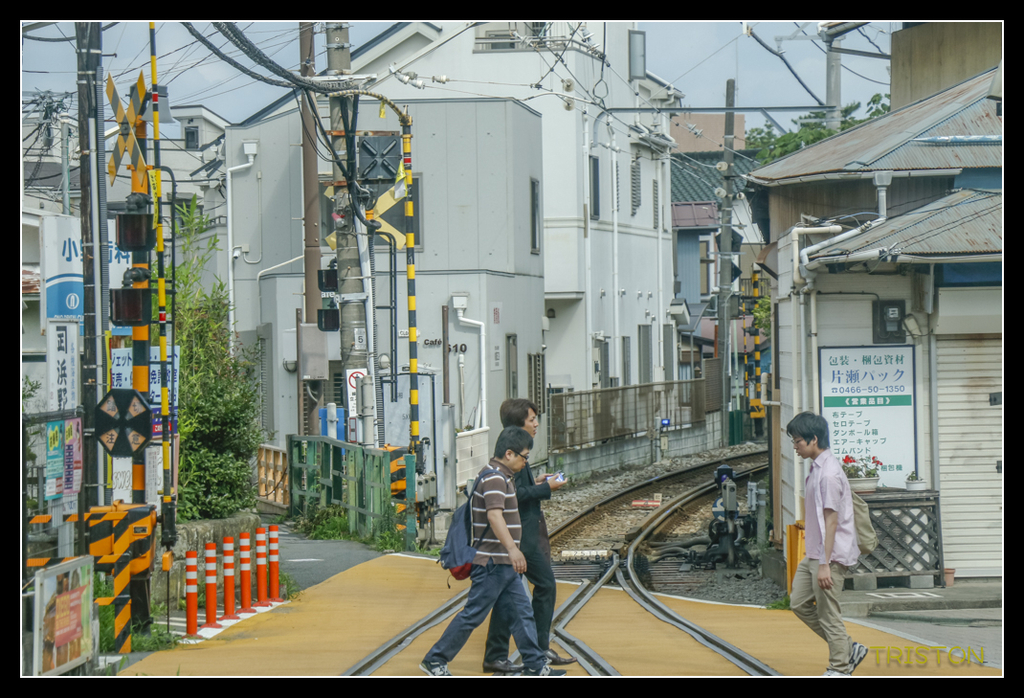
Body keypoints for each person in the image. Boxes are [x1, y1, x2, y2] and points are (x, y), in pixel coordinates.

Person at [420, 426, 565, 677]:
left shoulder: (498, 476)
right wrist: (513, 550)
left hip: (502, 563)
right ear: (509, 454)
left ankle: (534, 665)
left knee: (522, 614)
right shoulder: (496, 478)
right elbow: (494, 515)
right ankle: (435, 659)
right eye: (524, 456)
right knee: (473, 615)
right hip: (492, 563)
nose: (525, 462)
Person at [483, 399, 577, 673]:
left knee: (507, 593)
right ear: (518, 422)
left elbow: (517, 488)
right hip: (520, 533)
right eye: (532, 419)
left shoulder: (512, 444)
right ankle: (535, 650)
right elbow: (514, 495)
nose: (536, 423)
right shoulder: (512, 448)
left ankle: (501, 654)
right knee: (542, 586)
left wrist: (536, 482)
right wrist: (546, 488)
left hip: (521, 531)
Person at [786, 412, 868, 677]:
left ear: (814, 439)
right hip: (816, 553)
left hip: (829, 557)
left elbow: (830, 521)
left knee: (828, 614)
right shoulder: (818, 467)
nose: (795, 446)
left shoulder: (828, 474)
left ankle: (840, 667)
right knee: (798, 602)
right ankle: (847, 648)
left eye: (798, 441)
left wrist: (824, 564)